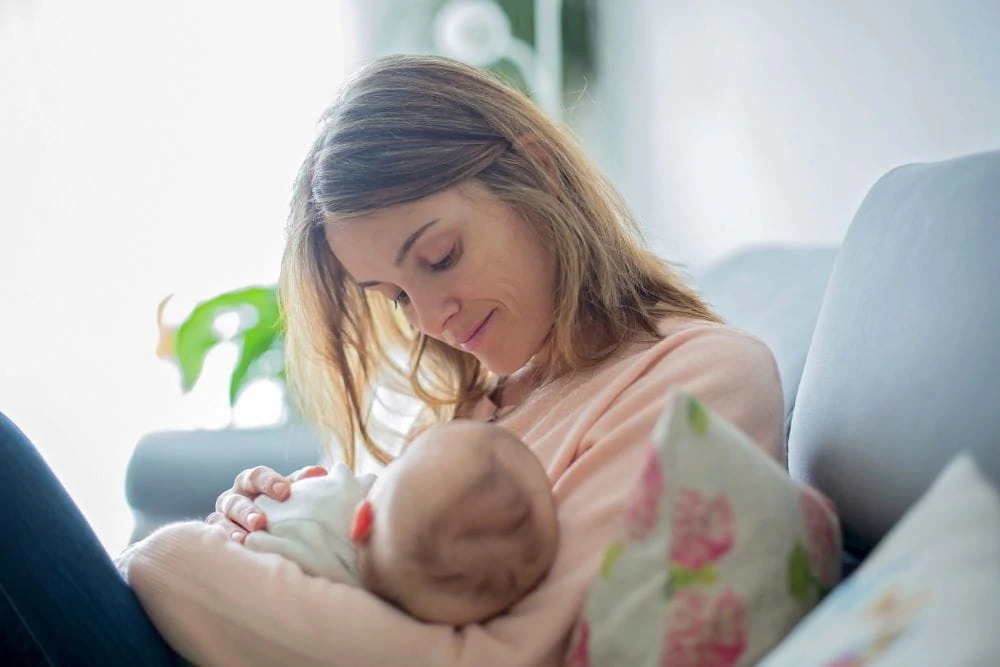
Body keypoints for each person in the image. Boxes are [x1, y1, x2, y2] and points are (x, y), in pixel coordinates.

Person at [0, 54, 784, 665]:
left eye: (438, 256)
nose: (432, 320)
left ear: (537, 170)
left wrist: (177, 561)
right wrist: (278, 532)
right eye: (395, 295)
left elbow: (510, 655)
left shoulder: (700, 381)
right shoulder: (482, 406)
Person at [244, 419, 560, 626]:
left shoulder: (329, 502)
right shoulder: (402, 617)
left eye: (402, 458)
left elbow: (243, 528)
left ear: (361, 519)